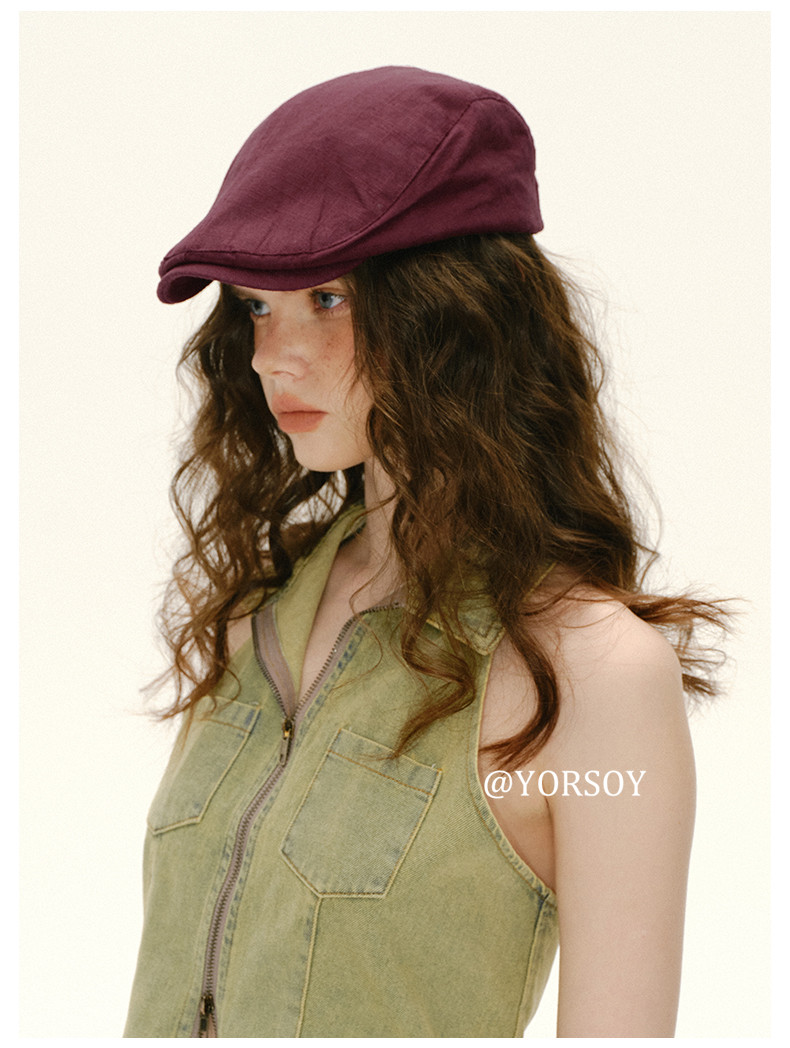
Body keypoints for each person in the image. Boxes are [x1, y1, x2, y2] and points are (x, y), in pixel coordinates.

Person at [124, 66, 727, 1038]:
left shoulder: (591, 675)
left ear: (460, 316)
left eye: (327, 297)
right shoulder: (254, 619)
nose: (272, 354)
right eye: (256, 306)